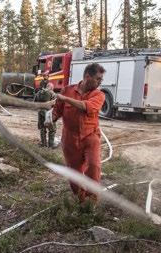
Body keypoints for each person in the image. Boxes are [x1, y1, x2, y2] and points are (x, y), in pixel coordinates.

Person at [51, 63, 106, 203]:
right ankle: (81, 200)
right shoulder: (67, 90)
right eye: (98, 79)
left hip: (90, 136)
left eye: (101, 79)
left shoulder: (99, 95)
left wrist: (65, 99)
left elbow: (85, 106)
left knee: (93, 166)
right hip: (70, 138)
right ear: (87, 76)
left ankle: (91, 199)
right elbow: (57, 109)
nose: (100, 82)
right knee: (74, 174)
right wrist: (50, 118)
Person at [35, 82, 57, 148]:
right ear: (51, 87)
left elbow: (35, 102)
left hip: (40, 112)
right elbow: (55, 104)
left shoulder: (39, 92)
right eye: (53, 88)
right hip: (48, 113)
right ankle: (51, 145)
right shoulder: (52, 93)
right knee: (52, 129)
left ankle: (43, 144)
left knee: (42, 128)